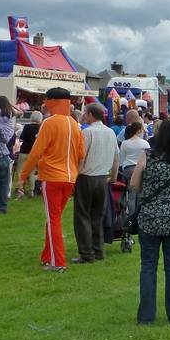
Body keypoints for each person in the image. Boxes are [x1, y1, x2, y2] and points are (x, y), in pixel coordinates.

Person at [129, 119, 170, 325]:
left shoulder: (147, 156)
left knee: (148, 267)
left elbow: (134, 184)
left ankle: (146, 316)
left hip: (150, 218)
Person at [18, 87, 86, 273]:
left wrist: (22, 177)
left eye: (47, 100)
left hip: (52, 178)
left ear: (53, 101)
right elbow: (81, 154)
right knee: (53, 218)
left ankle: (58, 262)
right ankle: (47, 256)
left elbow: (35, 153)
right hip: (69, 178)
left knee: (53, 219)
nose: (45, 104)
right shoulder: (74, 124)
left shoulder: (49, 123)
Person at [72, 103, 119, 264]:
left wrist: (74, 177)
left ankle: (86, 253)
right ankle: (98, 250)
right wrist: (114, 177)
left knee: (83, 215)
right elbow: (116, 157)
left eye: (86, 113)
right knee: (98, 216)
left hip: (87, 177)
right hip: (102, 178)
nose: (84, 115)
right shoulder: (110, 132)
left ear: (91, 114)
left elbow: (81, 157)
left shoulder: (87, 132)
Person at [15, 111, 42, 198]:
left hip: (24, 151)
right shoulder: (41, 128)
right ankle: (31, 191)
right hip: (34, 153)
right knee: (32, 172)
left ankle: (20, 190)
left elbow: (21, 138)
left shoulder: (27, 126)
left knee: (21, 171)